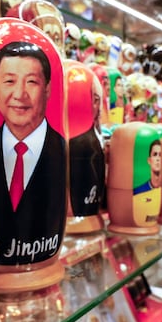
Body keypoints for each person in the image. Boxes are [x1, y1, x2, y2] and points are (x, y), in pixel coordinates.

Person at [0, 41, 66, 265]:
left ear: (47, 89)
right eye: (9, 81)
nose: (19, 94)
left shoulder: (64, 151)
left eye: (31, 82)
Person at [68, 72, 105, 217]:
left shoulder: (93, 137)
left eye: (97, 100)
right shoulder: (79, 142)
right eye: (93, 100)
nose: (96, 105)